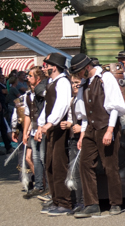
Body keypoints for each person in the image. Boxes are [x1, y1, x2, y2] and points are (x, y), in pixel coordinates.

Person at [71, 53, 125, 218]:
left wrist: (110, 130)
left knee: (110, 165)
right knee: (85, 164)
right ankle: (92, 204)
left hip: (106, 125)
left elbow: (115, 105)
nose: (79, 75)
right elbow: (86, 113)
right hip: (91, 129)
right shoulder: (85, 83)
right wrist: (82, 134)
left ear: (87, 67)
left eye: (80, 72)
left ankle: (115, 203)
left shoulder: (106, 78)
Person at [35, 53, 73, 216]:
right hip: (51, 128)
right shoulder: (52, 82)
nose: (44, 68)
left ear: (54, 67)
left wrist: (51, 123)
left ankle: (65, 202)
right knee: (50, 164)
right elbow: (47, 106)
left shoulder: (63, 82)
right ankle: (56, 200)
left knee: (59, 165)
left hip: (59, 129)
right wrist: (40, 125)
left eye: (46, 65)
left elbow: (62, 105)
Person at [22, 66, 48, 200]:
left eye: (30, 76)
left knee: (44, 158)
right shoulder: (28, 95)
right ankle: (39, 186)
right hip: (33, 130)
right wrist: (25, 132)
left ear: (38, 78)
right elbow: (27, 115)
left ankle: (48, 188)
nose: (28, 78)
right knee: (35, 158)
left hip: (43, 129)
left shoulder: (43, 93)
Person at [63, 74, 84, 213]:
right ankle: (77, 201)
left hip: (82, 139)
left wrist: (82, 128)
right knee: (73, 171)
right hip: (73, 139)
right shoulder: (72, 100)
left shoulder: (84, 99)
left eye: (77, 82)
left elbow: (93, 118)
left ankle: (82, 202)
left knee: (80, 171)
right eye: (72, 83)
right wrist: (68, 124)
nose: (75, 85)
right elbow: (72, 118)